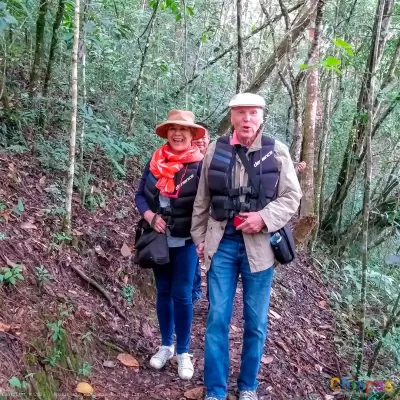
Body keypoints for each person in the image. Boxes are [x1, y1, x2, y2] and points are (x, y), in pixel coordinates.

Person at [191, 93, 302, 400]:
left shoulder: (276, 151)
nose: (246, 119)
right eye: (240, 113)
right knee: (217, 319)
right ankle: (215, 390)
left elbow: (292, 198)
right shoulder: (216, 150)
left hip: (260, 248)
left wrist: (263, 218)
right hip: (222, 243)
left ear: (261, 117)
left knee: (256, 323)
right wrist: (199, 238)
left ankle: (248, 387)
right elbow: (202, 199)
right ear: (232, 117)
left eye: (252, 113)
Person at [134, 110, 207, 380]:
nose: (178, 133)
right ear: (167, 133)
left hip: (185, 240)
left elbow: (207, 203)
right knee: (163, 292)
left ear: (191, 136)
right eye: (173, 129)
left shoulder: (200, 165)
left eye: (183, 130)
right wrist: (150, 216)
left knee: (182, 294)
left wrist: (203, 237)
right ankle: (166, 345)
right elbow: (141, 194)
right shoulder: (155, 161)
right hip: (158, 240)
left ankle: (184, 352)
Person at [191, 122, 211, 305]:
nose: (200, 141)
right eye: (196, 138)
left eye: (203, 137)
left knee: (214, 259)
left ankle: (213, 299)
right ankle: (195, 291)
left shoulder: (214, 160)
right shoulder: (187, 161)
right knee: (193, 254)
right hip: (191, 217)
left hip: (212, 219)